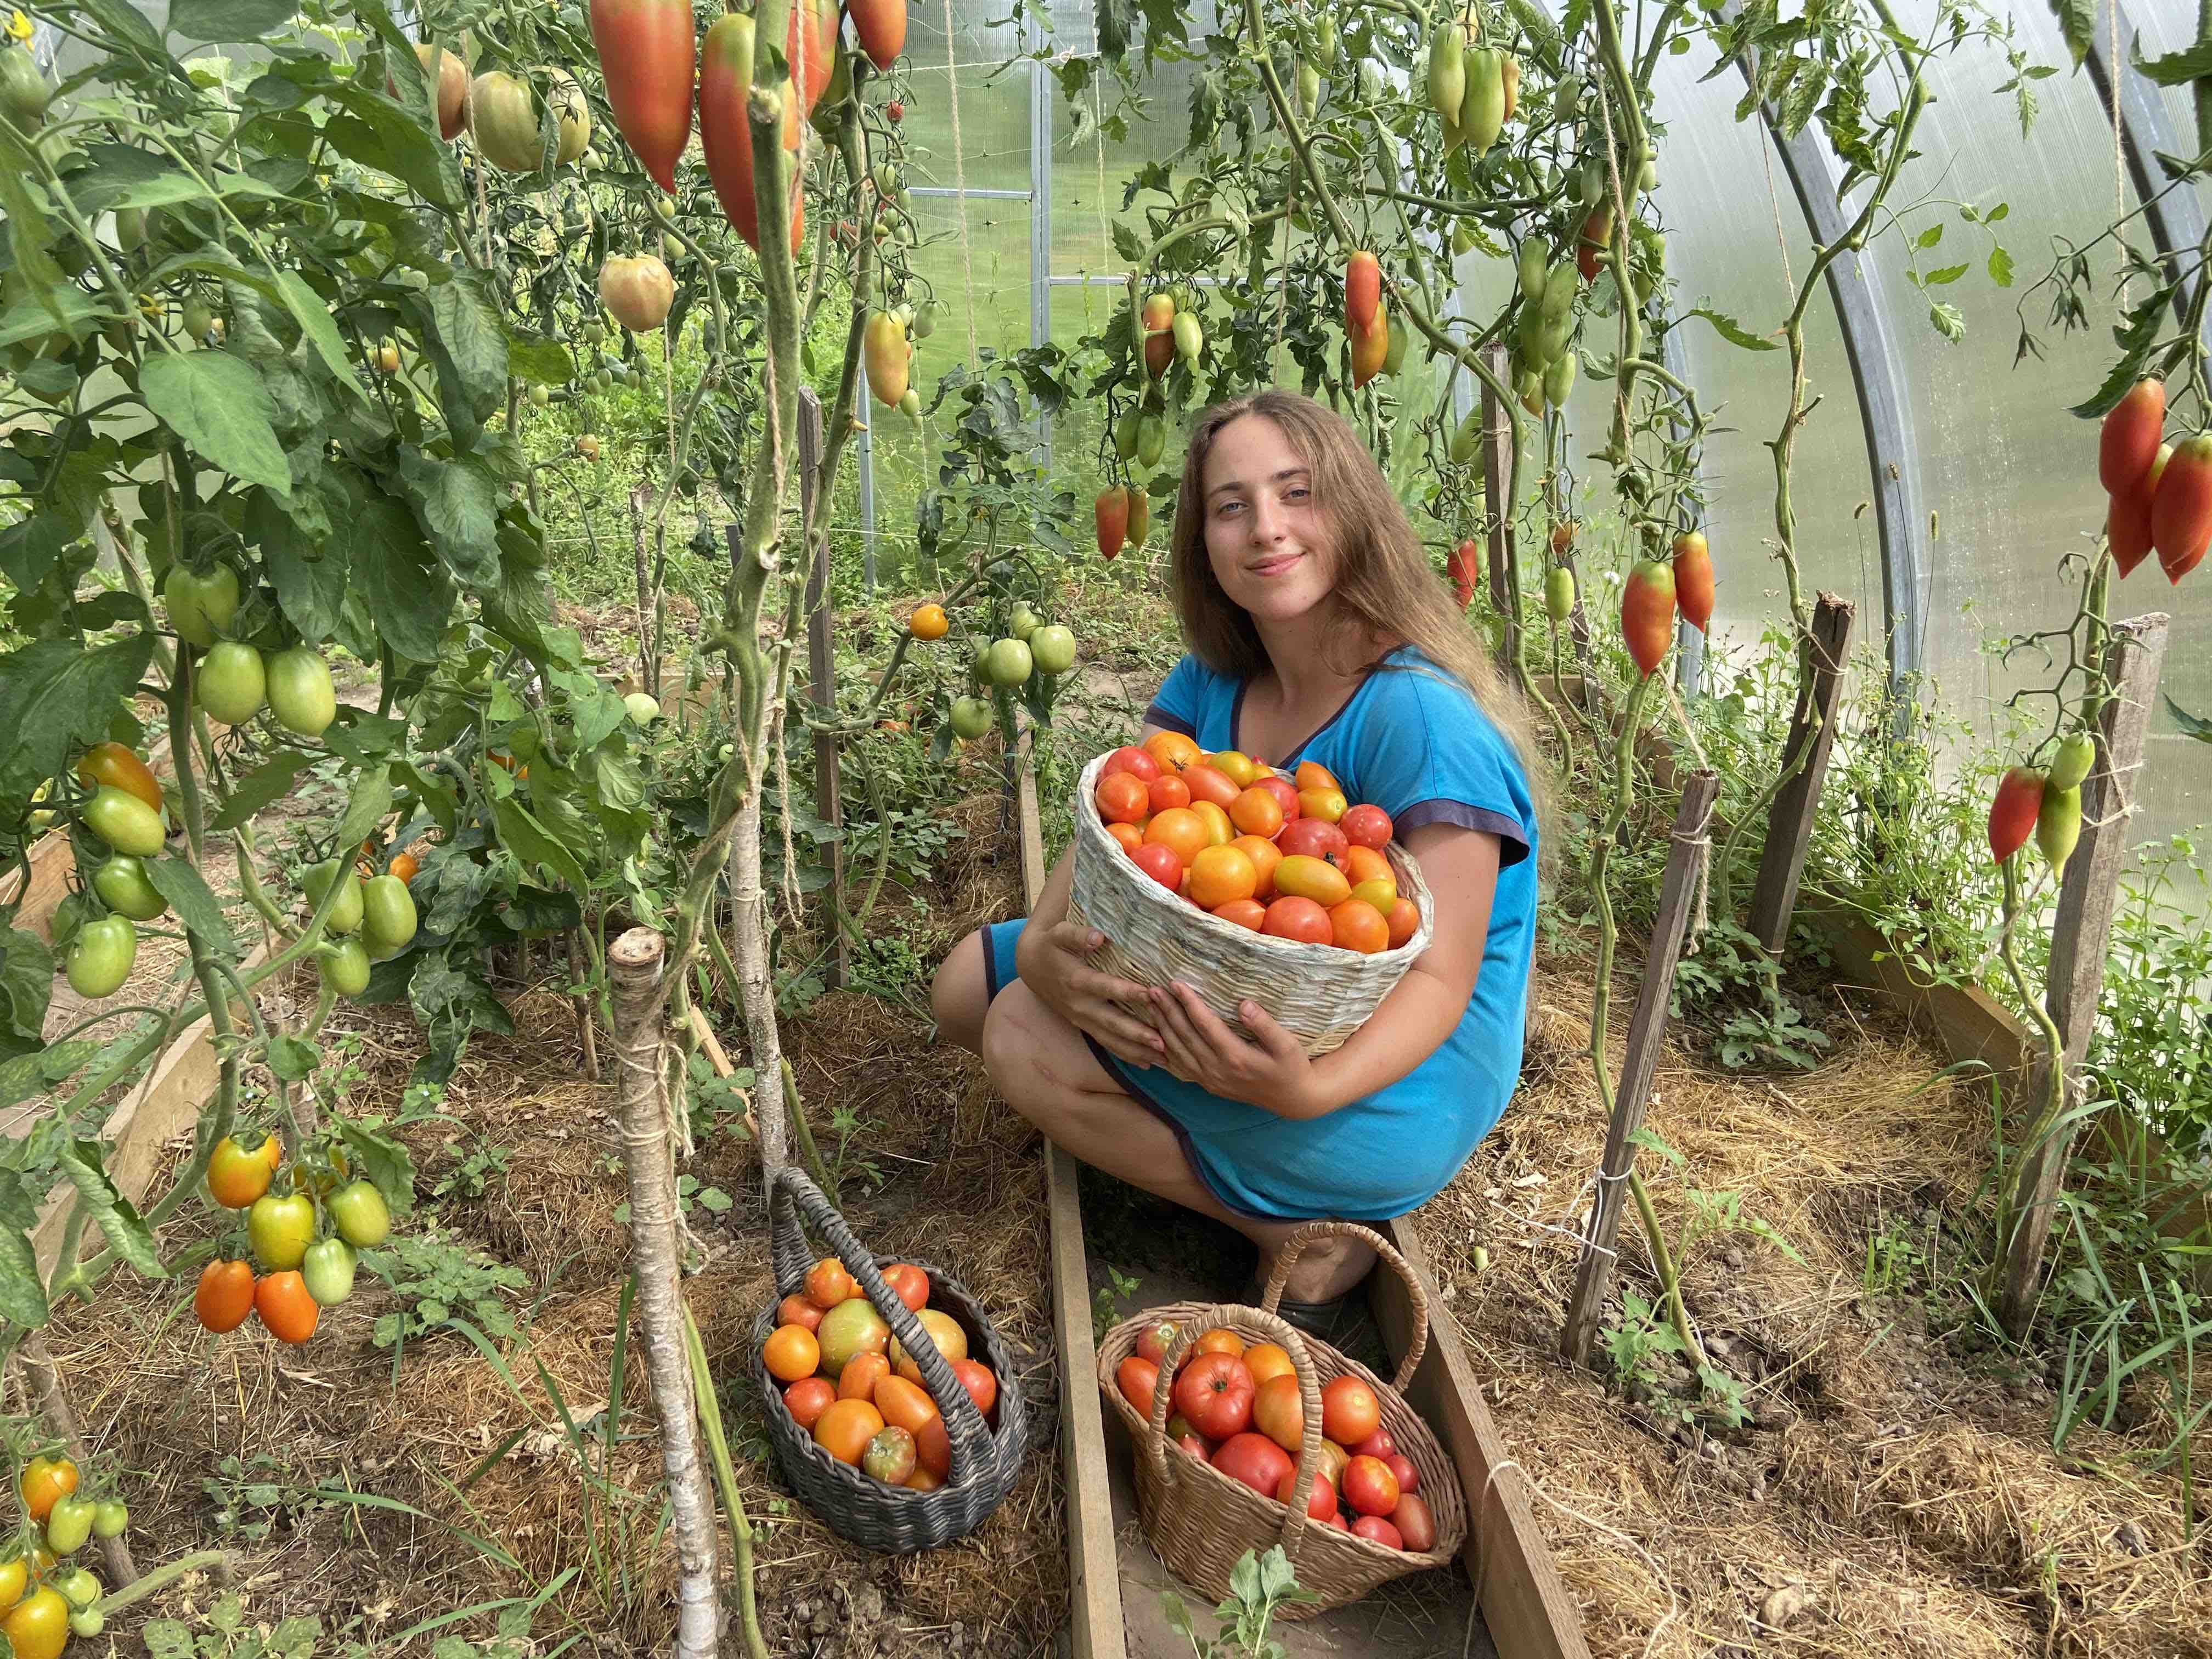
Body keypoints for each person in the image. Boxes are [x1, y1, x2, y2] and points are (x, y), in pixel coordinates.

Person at [931, 390, 1545, 1334]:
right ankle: (1228, 1147)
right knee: (965, 989)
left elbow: (1440, 978)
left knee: (1018, 1031)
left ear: (1351, 509)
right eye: (1232, 506)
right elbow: (1114, 834)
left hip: (1393, 1069)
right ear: (1202, 539)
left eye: (1297, 494)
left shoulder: (1424, 722)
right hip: (1223, 958)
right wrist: (1053, 944)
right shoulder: (1216, 673)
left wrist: (1308, 1089)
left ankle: (1298, 1238)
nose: (1267, 530)